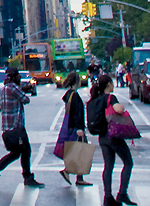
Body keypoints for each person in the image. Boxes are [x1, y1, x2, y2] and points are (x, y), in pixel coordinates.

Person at [0, 67, 44, 189]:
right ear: (15, 77)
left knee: (18, 153)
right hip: (16, 128)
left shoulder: (5, 88)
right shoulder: (12, 88)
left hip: (9, 128)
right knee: (24, 151)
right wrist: (24, 89)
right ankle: (25, 177)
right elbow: (25, 99)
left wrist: (22, 89)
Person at [87, 74, 135, 206]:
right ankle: (122, 194)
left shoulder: (95, 98)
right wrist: (121, 107)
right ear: (108, 84)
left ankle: (108, 197)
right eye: (112, 83)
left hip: (102, 137)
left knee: (108, 166)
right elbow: (118, 109)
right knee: (128, 162)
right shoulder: (110, 98)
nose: (113, 85)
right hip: (114, 135)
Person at [54, 72, 92, 187]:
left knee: (79, 151)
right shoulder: (74, 95)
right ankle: (70, 172)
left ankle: (78, 177)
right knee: (80, 151)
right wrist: (79, 128)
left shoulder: (69, 94)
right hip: (76, 127)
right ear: (76, 82)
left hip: (71, 126)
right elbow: (76, 113)